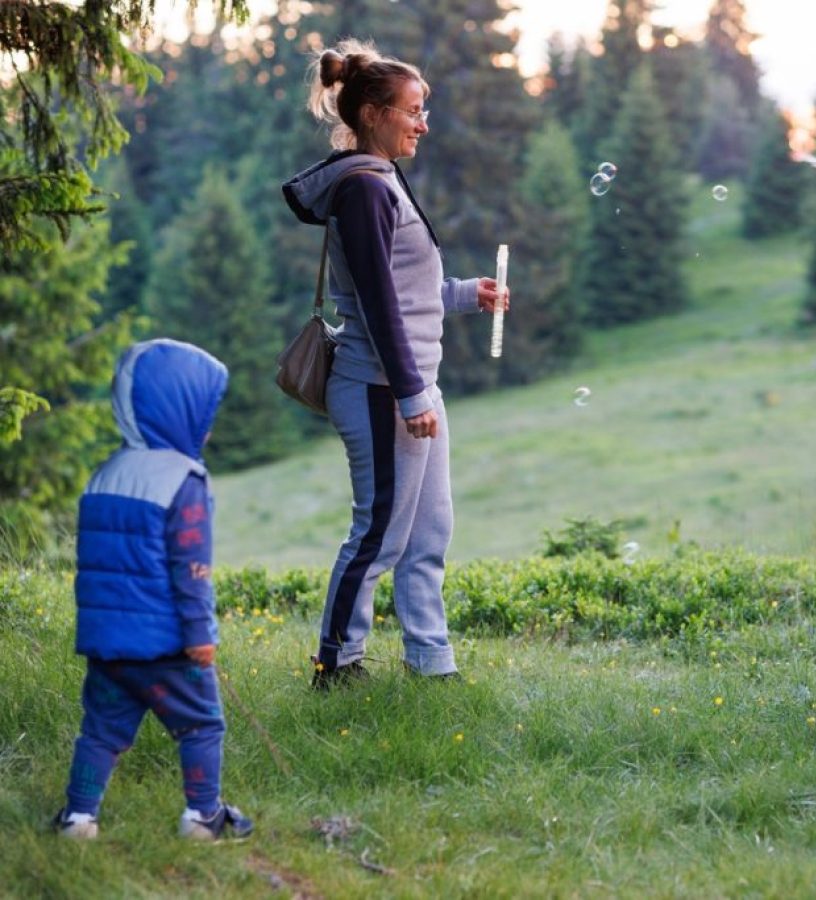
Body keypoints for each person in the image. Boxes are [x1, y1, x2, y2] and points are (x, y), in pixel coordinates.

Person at [282, 40, 508, 687]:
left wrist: (469, 295)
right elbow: (379, 306)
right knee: (378, 534)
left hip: (408, 387)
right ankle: (337, 664)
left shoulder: (380, 180)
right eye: (413, 110)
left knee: (428, 532)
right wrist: (411, 397)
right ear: (375, 113)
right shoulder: (362, 188)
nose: (423, 123)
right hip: (382, 390)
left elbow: (405, 292)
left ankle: (431, 663)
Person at [54, 339, 252, 841]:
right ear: (176, 409)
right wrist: (200, 635)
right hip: (166, 644)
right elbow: (191, 571)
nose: (207, 426)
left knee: (100, 731)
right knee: (202, 726)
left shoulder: (105, 474)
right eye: (204, 412)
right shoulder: (183, 481)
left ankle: (79, 817)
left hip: (107, 644)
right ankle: (203, 816)